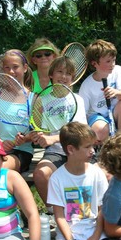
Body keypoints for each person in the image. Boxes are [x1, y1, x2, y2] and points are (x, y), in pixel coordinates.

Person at [47, 122, 117, 240]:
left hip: (94, 232)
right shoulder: (57, 178)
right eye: (87, 147)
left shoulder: (97, 174)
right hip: (67, 236)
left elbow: (101, 210)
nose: (92, 151)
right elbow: (59, 216)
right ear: (71, 149)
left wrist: (96, 236)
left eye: (93, 145)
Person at [31, 56, 87, 214]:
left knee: (80, 176)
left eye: (68, 73)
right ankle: (53, 212)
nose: (63, 76)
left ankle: (80, 215)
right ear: (51, 75)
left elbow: (78, 133)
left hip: (77, 151)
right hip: (55, 152)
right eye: (60, 72)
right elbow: (41, 129)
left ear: (73, 78)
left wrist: (52, 138)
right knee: (41, 174)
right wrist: (39, 135)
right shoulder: (42, 100)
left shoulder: (77, 100)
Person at [0, 49, 34, 173]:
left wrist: (25, 139)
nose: (11, 72)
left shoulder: (34, 98)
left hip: (21, 152)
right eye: (7, 68)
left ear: (25, 68)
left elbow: (36, 132)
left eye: (15, 67)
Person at [79, 39, 121, 146]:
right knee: (100, 130)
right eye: (108, 61)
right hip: (98, 116)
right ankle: (104, 149)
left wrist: (116, 92)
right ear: (94, 63)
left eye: (114, 60)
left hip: (116, 113)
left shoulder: (118, 70)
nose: (112, 64)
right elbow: (82, 115)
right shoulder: (86, 85)